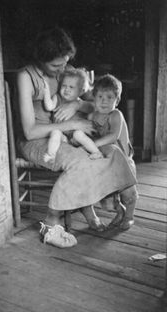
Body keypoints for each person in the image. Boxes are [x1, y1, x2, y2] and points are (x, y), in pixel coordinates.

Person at [16, 27, 137, 248]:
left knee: (107, 153)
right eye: (56, 65)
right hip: (39, 140)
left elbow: (99, 105)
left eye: (65, 62)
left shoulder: (66, 71)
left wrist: (78, 103)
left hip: (68, 135)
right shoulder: (26, 77)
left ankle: (112, 202)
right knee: (83, 160)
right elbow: (29, 131)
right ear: (40, 58)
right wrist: (71, 123)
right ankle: (52, 220)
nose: (62, 69)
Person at [88, 74, 138, 229]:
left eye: (110, 97)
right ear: (94, 98)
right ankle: (119, 211)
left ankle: (129, 216)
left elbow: (113, 136)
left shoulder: (116, 115)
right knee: (108, 198)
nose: (104, 101)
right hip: (108, 161)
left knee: (127, 192)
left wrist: (92, 144)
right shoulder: (93, 115)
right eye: (100, 96)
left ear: (117, 101)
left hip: (123, 161)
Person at [42, 68, 103, 163]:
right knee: (55, 132)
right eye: (64, 86)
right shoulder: (57, 98)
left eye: (71, 87)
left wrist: (79, 105)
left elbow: (93, 108)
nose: (66, 89)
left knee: (78, 134)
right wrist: (46, 89)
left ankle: (96, 152)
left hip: (80, 137)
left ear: (81, 91)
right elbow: (49, 106)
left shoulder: (79, 103)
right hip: (66, 137)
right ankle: (51, 155)